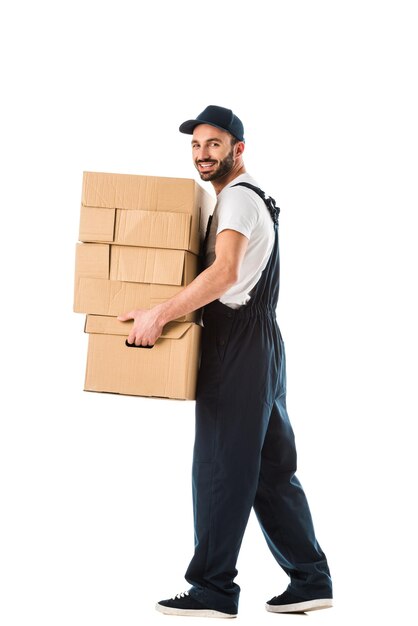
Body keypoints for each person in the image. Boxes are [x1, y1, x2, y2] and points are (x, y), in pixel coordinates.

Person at [117, 105, 333, 618]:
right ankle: (310, 578)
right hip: (263, 344)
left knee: (220, 465)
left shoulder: (236, 201)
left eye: (214, 144)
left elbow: (225, 274)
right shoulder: (255, 197)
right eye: (195, 145)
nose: (202, 154)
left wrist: (158, 315)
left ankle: (213, 589)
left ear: (237, 149)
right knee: (269, 470)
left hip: (238, 344)